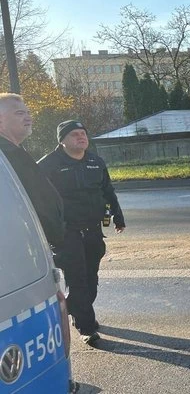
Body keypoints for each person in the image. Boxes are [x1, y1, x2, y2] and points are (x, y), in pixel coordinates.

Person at [38, 120, 126, 344]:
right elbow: (37, 198)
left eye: (83, 133)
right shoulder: (48, 165)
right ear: (62, 140)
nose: (81, 137)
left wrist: (117, 215)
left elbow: (107, 190)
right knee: (78, 279)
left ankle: (76, 309)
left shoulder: (96, 161)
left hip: (93, 230)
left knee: (91, 278)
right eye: (75, 134)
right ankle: (86, 326)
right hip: (67, 233)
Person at [0, 93, 64, 246]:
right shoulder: (4, 156)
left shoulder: (16, 152)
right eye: (19, 113)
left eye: (28, 113)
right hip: (16, 248)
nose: (28, 118)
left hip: (35, 244)